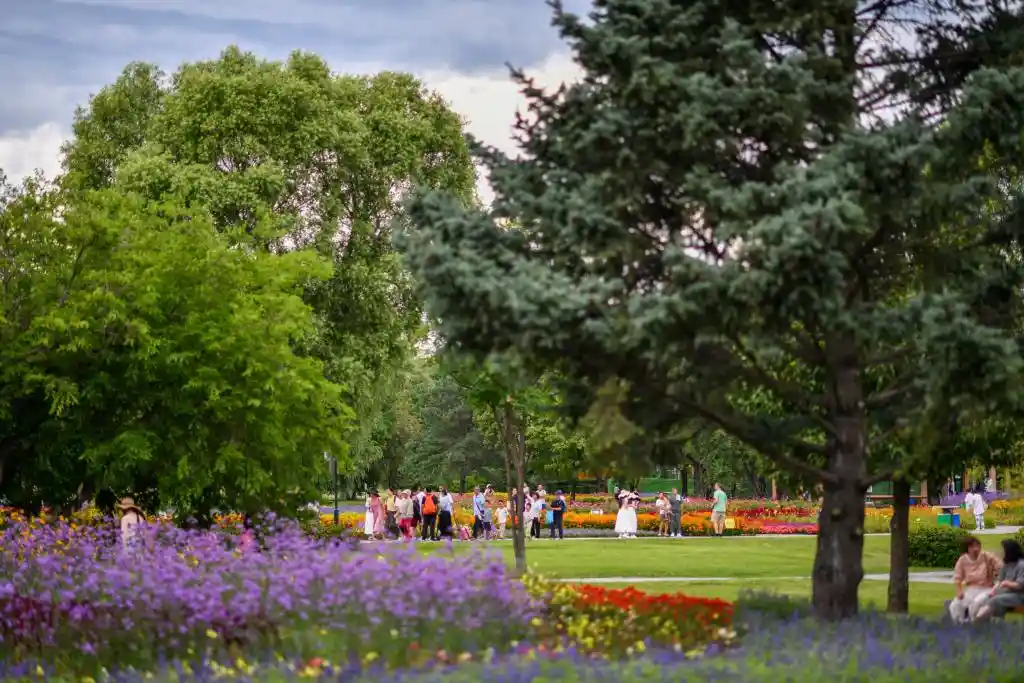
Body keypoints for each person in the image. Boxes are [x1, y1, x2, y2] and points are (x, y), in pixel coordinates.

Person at [949, 536, 1001, 623]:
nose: (976, 548)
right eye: (972, 547)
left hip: (987, 589)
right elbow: (957, 578)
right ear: (967, 548)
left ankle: (973, 623)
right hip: (971, 589)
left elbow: (1000, 567)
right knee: (955, 605)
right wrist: (959, 591)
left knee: (977, 602)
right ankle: (960, 624)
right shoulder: (963, 560)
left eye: (978, 546)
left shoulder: (986, 556)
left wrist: (997, 574)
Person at [973, 540, 1024, 621]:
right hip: (1006, 593)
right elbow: (1000, 581)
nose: (1000, 551)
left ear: (1009, 551)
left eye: (1002, 549)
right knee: (985, 598)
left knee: (996, 600)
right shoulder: (1006, 564)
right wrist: (993, 590)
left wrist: (1007, 583)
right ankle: (988, 624)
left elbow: (1020, 585)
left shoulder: (1021, 565)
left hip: (1019, 595)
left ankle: (976, 621)